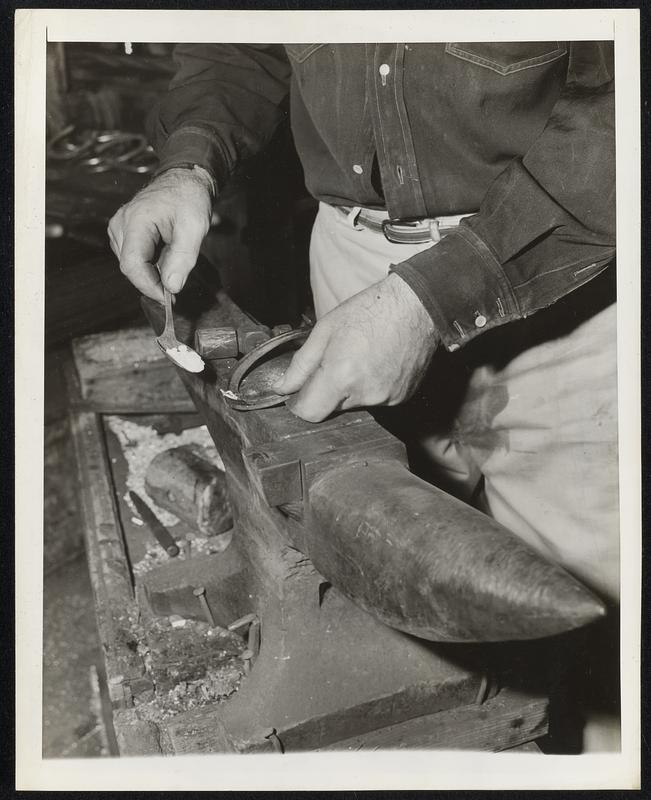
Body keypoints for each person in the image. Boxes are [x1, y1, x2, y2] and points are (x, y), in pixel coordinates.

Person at [108, 42, 618, 749]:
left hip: (563, 268)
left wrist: (430, 298)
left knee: (599, 649)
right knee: (369, 557)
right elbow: (235, 44)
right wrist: (187, 161)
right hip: (353, 255)